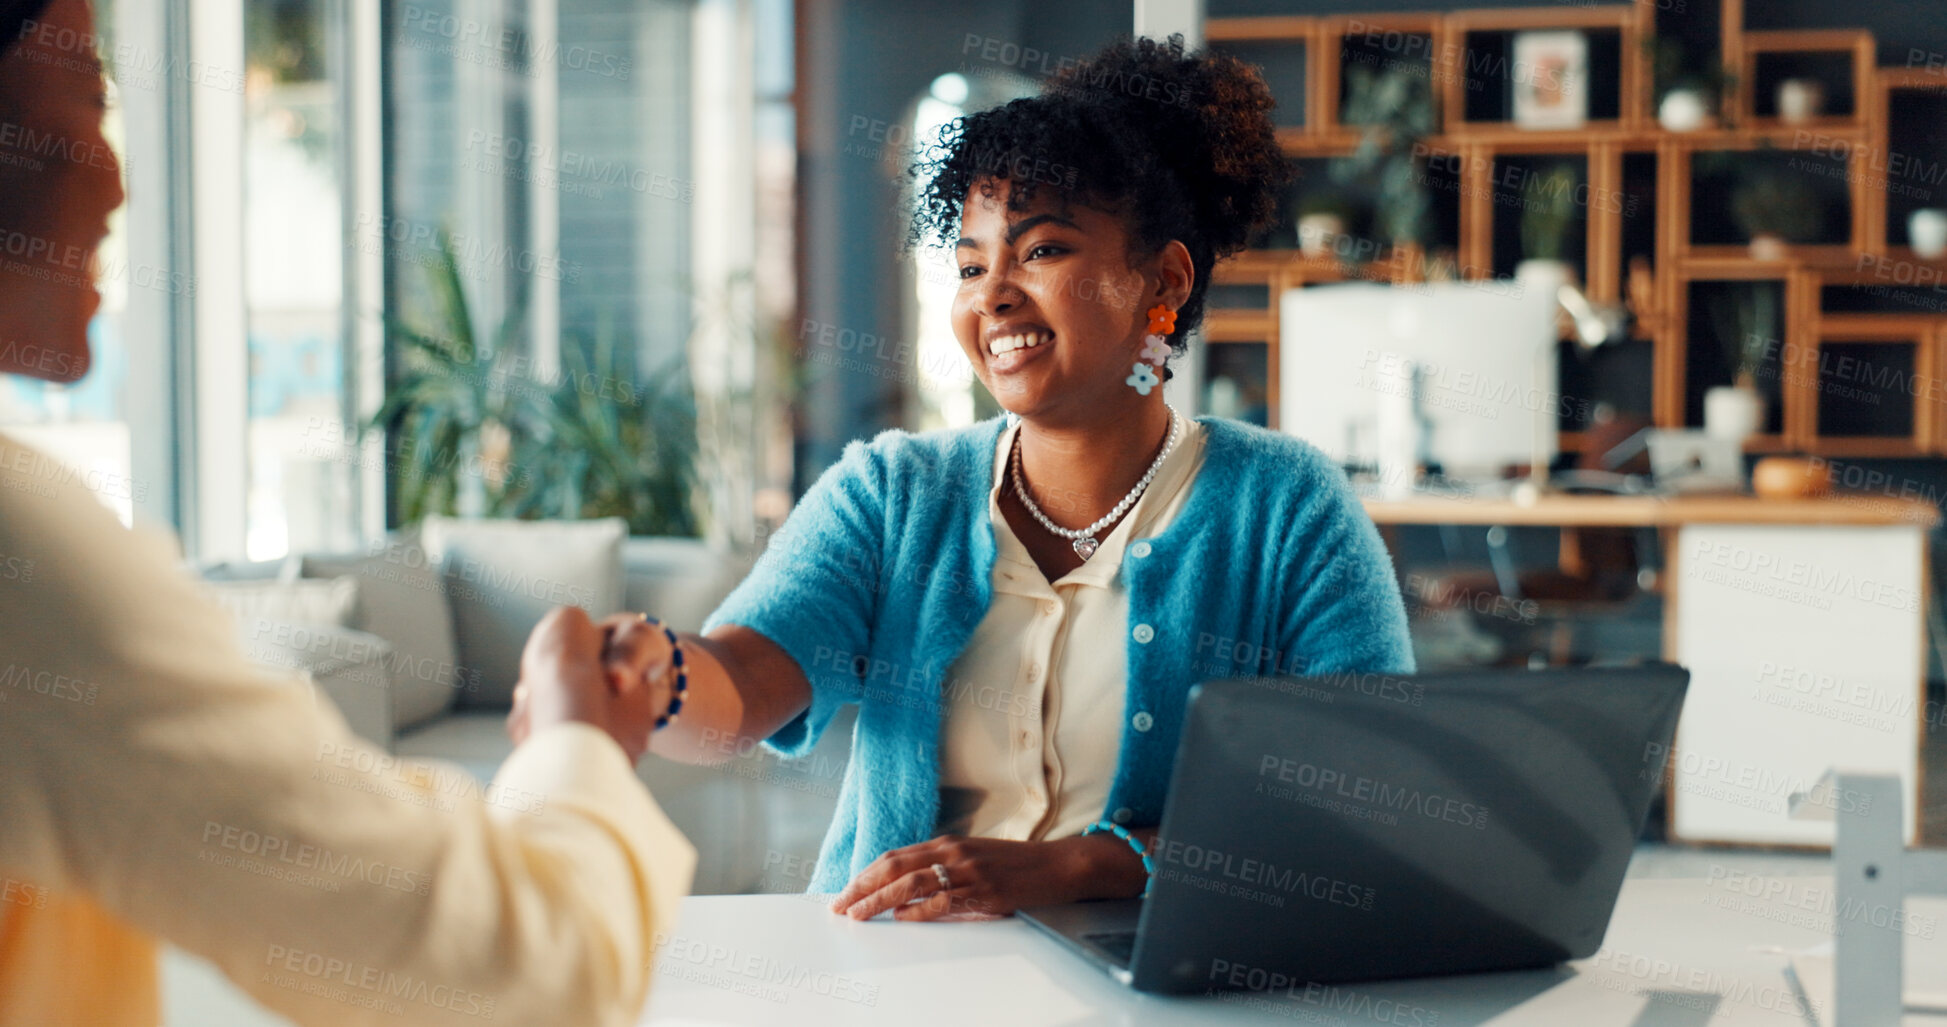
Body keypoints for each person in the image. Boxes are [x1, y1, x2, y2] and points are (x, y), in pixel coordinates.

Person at [598, 35, 1413, 923]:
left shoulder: (1286, 508)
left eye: (1042, 251)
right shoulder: (892, 495)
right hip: (898, 971)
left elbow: (1358, 805)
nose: (991, 296)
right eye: (972, 264)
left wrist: (1080, 867)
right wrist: (657, 672)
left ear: (1162, 281)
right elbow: (744, 686)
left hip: (1153, 977)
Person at [0, 1, 695, 1022]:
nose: (114, 178)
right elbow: (529, 975)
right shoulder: (26, 554)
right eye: (88, 97)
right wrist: (576, 734)